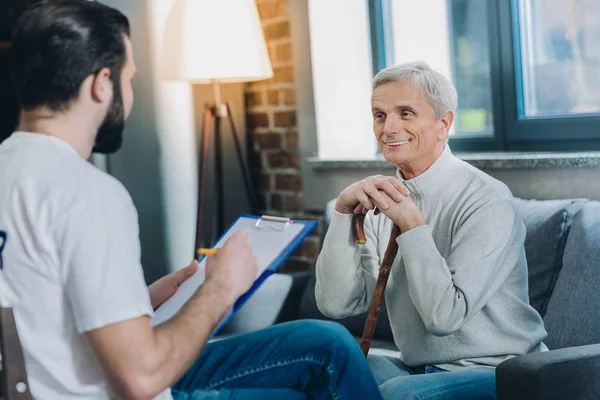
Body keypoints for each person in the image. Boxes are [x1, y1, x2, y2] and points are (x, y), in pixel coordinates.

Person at [0, 1, 383, 399]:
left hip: (85, 370)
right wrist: (219, 289)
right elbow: (140, 380)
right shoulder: (86, 192)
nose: (128, 96)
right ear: (101, 84)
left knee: (325, 341)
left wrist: (141, 299)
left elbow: (41, 303)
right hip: (127, 386)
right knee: (320, 373)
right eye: (129, 81)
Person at [315, 61, 548, 400]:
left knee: (398, 395)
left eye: (405, 113)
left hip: (498, 370)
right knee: (324, 372)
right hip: (418, 368)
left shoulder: (486, 199)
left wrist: (412, 224)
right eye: (379, 115)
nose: (389, 127)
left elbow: (444, 317)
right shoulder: (382, 197)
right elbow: (337, 304)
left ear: (444, 123)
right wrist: (342, 213)